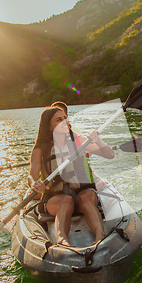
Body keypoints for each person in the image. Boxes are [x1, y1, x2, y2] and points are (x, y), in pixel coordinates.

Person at [28, 106, 114, 247]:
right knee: (66, 201)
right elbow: (32, 175)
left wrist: (97, 140)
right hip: (56, 199)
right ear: (49, 127)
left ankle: (100, 235)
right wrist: (34, 184)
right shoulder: (39, 150)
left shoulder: (79, 141)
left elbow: (109, 154)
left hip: (81, 193)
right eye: (58, 120)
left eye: (65, 119)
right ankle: (62, 241)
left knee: (86, 198)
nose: (64, 122)